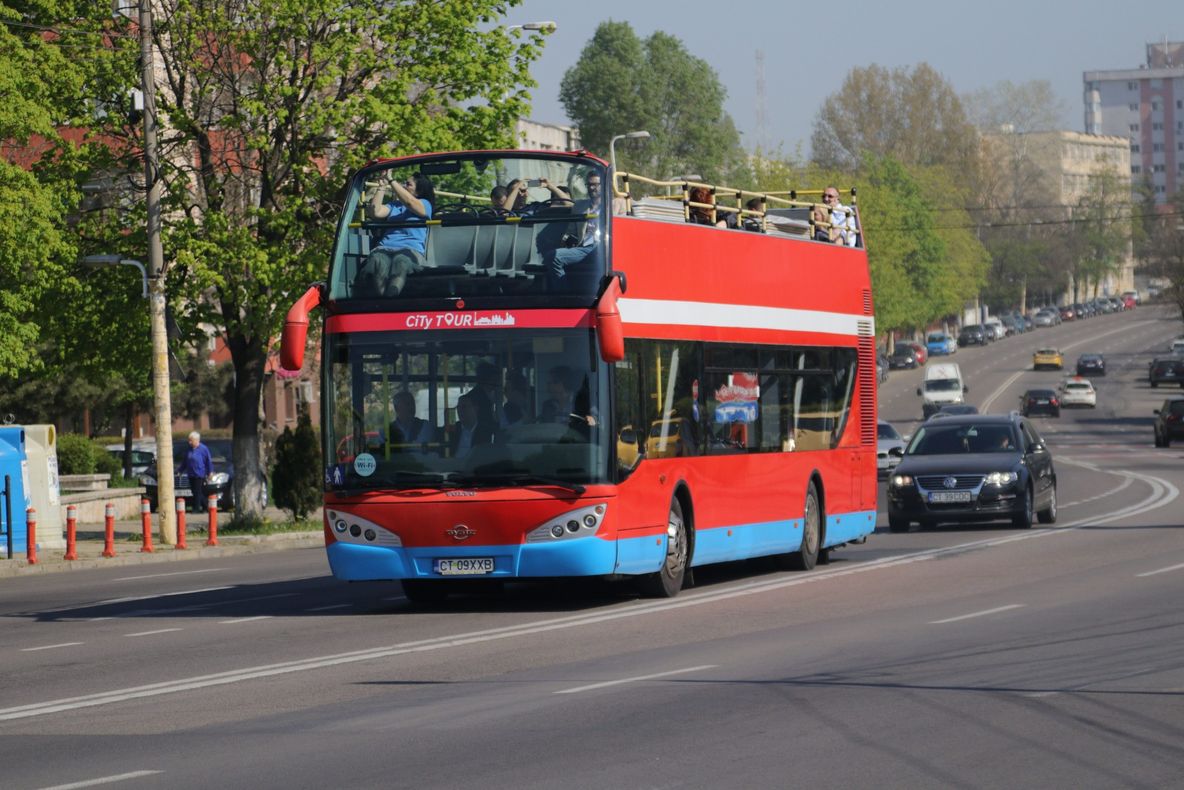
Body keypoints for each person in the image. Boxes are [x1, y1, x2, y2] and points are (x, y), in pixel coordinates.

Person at [356, 172, 435, 296]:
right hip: (385, 248)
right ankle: (384, 302)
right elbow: (375, 212)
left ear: (419, 191)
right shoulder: (394, 206)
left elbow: (410, 202)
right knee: (378, 260)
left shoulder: (425, 204)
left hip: (410, 249)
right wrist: (381, 187)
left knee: (401, 261)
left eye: (408, 184)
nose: (403, 186)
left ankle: (392, 297)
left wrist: (391, 180)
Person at [543, 172, 603, 289]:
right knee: (553, 256)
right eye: (589, 185)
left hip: (603, 247)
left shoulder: (612, 204)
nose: (591, 188)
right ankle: (564, 294)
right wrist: (565, 241)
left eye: (595, 185)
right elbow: (570, 230)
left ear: (603, 185)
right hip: (584, 247)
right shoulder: (580, 205)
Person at [178, 430, 213, 512]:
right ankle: (206, 506)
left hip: (199, 474)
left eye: (191, 440)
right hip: (191, 474)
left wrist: (210, 472)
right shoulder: (188, 449)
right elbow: (185, 462)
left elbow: (208, 461)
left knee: (197, 492)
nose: (189, 442)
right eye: (189, 440)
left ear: (197, 440)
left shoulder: (203, 449)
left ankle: (197, 508)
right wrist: (180, 470)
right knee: (194, 491)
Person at [492, 178, 570, 214]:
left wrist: (550, 186)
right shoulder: (508, 211)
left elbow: (569, 205)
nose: (520, 194)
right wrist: (518, 186)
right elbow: (503, 214)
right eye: (515, 191)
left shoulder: (536, 207)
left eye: (523, 191)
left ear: (527, 193)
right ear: (509, 196)